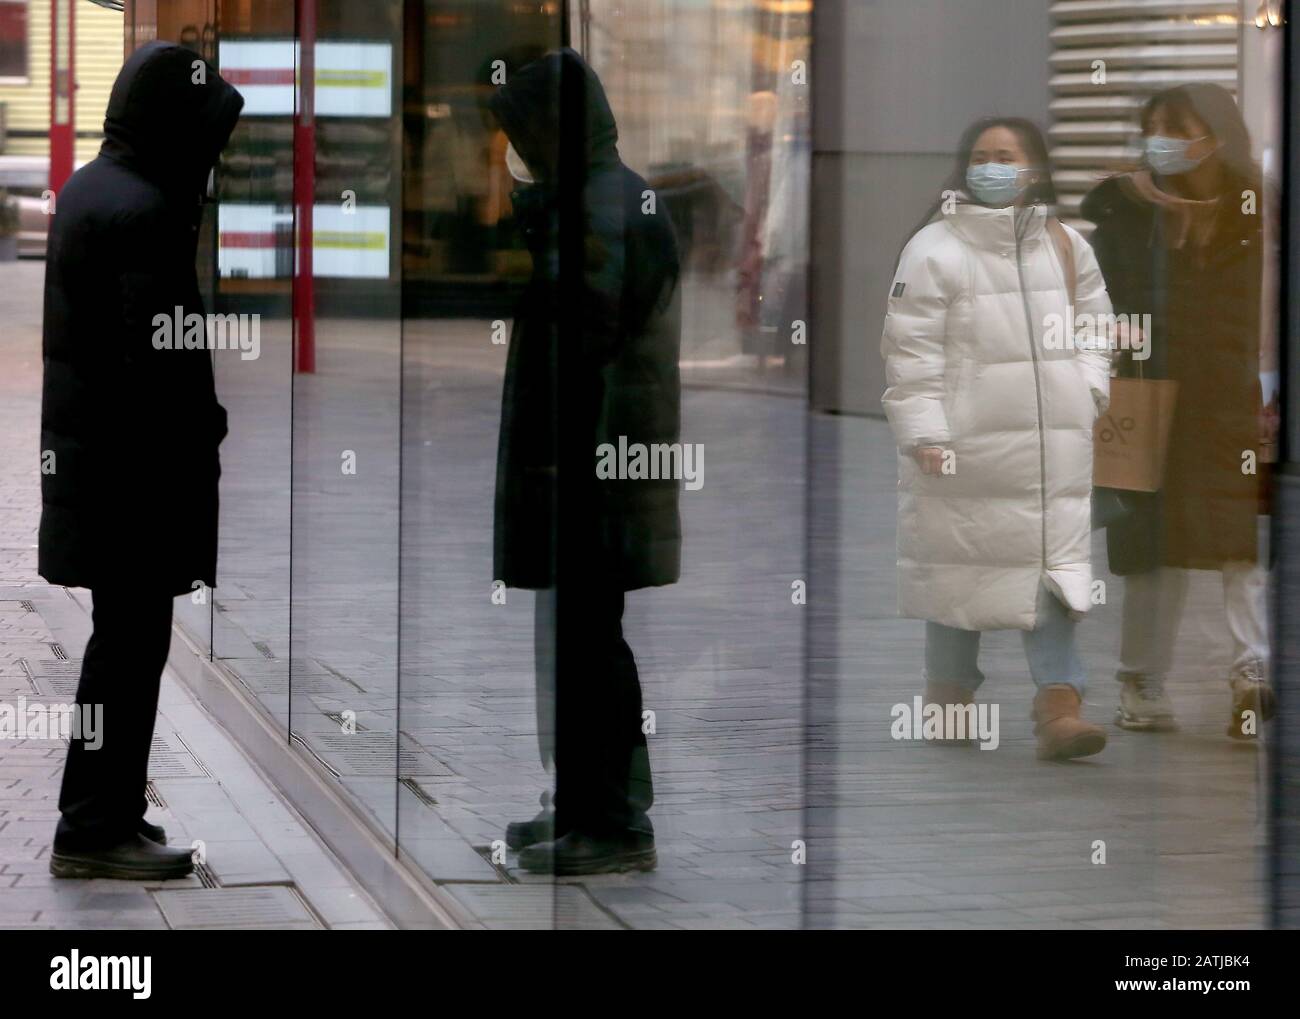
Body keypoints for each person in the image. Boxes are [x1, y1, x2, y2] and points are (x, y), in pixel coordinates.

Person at [41, 42, 244, 879]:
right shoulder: (146, 211)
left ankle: (108, 810)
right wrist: (207, 428)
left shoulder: (98, 185)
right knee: (127, 650)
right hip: (133, 477)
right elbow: (156, 361)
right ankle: (94, 828)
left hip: (102, 469)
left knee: (119, 644)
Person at [488, 49, 682, 873]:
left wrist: (568, 473)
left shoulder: (595, 210)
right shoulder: (604, 194)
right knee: (587, 638)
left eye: (521, 137)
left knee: (590, 643)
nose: (511, 160)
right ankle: (594, 801)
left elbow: (587, 347)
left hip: (591, 473)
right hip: (605, 467)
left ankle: (609, 822)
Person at [881, 117, 1114, 761]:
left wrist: (1088, 388)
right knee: (960, 576)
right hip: (963, 449)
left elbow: (1097, 321)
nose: (994, 167)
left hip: (1051, 451)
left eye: (1006, 156)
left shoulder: (1064, 244)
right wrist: (925, 430)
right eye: (982, 157)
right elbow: (910, 351)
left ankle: (1060, 708)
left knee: (1053, 575)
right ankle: (950, 701)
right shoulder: (934, 248)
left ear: (1034, 165)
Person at [1082, 84, 1275, 738]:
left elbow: (1269, 303)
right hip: (1146, 392)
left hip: (1229, 395)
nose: (1160, 140)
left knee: (1237, 539)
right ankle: (1140, 682)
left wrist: (1269, 383)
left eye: (1176, 128)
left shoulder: (1254, 209)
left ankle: (1252, 674)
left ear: (1215, 136)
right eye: (1153, 127)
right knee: (1150, 547)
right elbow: (1099, 303)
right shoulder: (1126, 211)